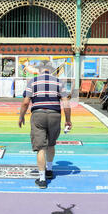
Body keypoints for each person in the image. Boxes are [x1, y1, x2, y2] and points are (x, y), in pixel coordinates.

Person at [18, 61, 72, 189]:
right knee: (51, 144)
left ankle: (42, 180)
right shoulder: (59, 82)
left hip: (38, 115)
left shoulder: (33, 82)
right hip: (55, 115)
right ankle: (49, 170)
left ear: (39, 70)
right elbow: (66, 103)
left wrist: (21, 117)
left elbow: (25, 102)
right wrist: (68, 120)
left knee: (41, 147)